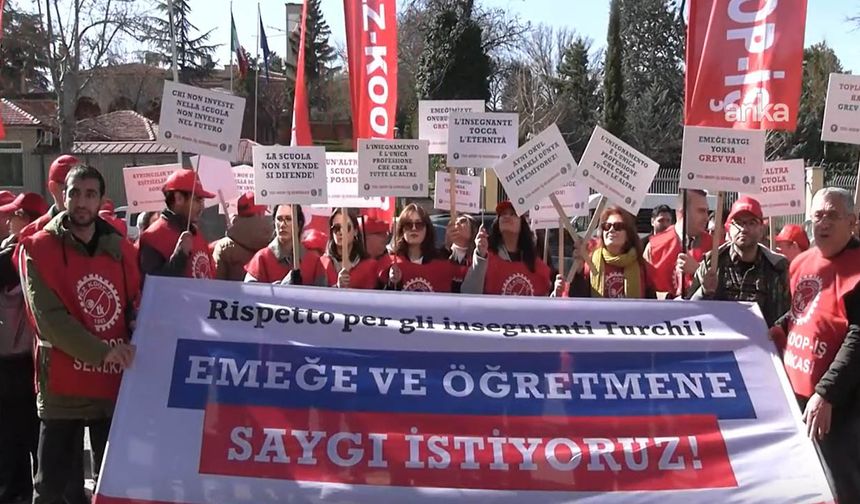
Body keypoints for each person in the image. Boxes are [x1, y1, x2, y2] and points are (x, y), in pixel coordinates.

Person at [19, 165, 139, 504]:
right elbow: (49, 320)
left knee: (113, 484)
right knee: (51, 488)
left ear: (101, 199)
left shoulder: (123, 251)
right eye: (74, 193)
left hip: (111, 384)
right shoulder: (37, 248)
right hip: (62, 385)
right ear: (62, 195)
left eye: (90, 194)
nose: (81, 202)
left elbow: (136, 303)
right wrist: (103, 352)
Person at [770, 188, 860, 502]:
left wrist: (826, 393)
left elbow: (858, 337)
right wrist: (775, 328)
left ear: (852, 222)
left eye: (833, 215)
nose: (824, 223)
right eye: (818, 215)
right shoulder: (801, 263)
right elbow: (803, 310)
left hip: (839, 405)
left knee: (839, 486)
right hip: (796, 395)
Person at [0, 193, 46, 504]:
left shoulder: (28, 254)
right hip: (14, 365)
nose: (7, 221)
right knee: (13, 442)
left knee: (29, 439)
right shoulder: (11, 252)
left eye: (14, 215)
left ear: (27, 220)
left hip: (29, 365)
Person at [690, 196, 790, 327]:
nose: (744, 229)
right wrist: (704, 291)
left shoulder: (777, 267)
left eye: (751, 223)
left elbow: (788, 315)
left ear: (761, 229)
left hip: (762, 339)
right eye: (738, 223)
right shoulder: (711, 263)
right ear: (729, 228)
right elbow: (689, 310)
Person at [461, 201, 558, 296]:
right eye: (503, 214)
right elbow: (468, 294)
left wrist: (555, 295)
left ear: (522, 224)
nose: (507, 216)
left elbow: (545, 300)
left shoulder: (536, 263)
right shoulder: (484, 256)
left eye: (513, 214)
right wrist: (480, 257)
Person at [138, 169, 215, 280]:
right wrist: (180, 256)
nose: (202, 207)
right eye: (197, 200)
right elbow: (153, 286)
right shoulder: (152, 237)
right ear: (178, 198)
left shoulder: (196, 234)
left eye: (203, 201)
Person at [563, 206, 655, 299]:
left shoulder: (642, 265)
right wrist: (578, 274)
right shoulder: (590, 263)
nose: (611, 230)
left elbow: (652, 303)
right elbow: (577, 299)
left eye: (618, 226)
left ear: (628, 234)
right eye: (607, 226)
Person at [378, 204, 464, 293]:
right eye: (408, 225)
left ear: (427, 229)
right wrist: (392, 283)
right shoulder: (390, 262)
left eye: (419, 224)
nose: (414, 228)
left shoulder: (443, 261)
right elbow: (380, 298)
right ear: (402, 230)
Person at [645, 189, 712, 299]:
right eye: (701, 211)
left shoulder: (715, 246)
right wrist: (666, 297)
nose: (706, 218)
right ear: (682, 212)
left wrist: (698, 270)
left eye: (707, 211)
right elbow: (644, 291)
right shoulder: (653, 247)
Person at [244, 205, 322, 285]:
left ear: (299, 224)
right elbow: (248, 290)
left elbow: (323, 291)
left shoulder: (314, 262)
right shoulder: (261, 258)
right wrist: (279, 288)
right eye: (279, 219)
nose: (282, 225)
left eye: (288, 219)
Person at [212, 191, 272, 281]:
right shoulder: (275, 241)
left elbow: (216, 283)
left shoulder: (224, 247)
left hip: (233, 290)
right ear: (260, 213)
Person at [318, 209, 379, 289]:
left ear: (355, 231)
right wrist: (337, 287)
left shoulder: (370, 265)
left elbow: (373, 295)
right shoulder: (323, 263)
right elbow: (316, 294)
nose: (340, 232)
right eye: (336, 228)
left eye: (346, 227)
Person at [445, 214, 478, 292]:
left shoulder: (478, 257)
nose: (457, 223)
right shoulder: (442, 254)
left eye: (463, 221)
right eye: (455, 222)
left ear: (473, 230)